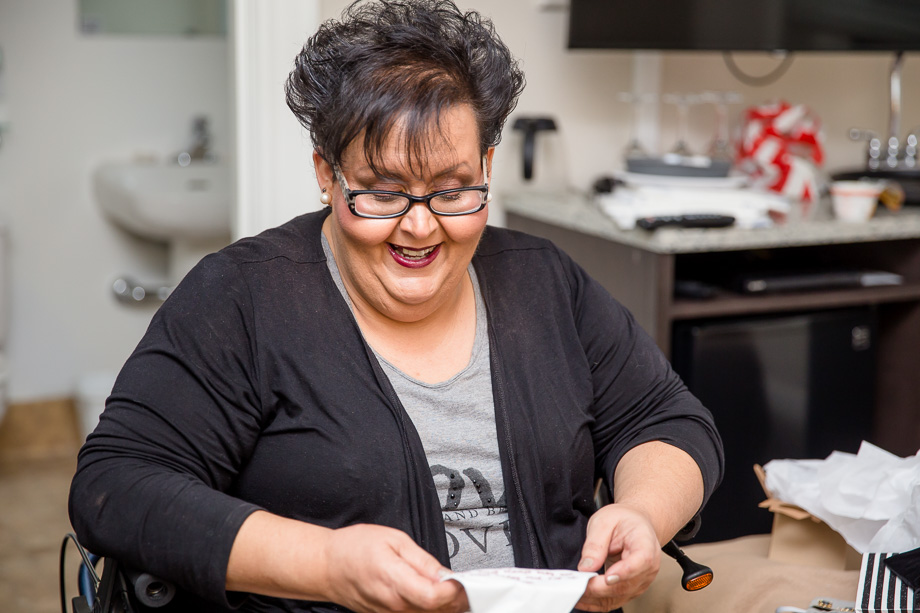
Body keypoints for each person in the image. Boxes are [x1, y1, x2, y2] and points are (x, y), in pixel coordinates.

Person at [69, 1, 723, 612]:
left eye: (452, 189)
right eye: (382, 193)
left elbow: (665, 419)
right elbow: (117, 487)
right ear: (327, 173)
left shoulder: (544, 280)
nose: (420, 227)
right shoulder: (241, 297)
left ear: (486, 163)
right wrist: (323, 562)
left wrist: (643, 511)